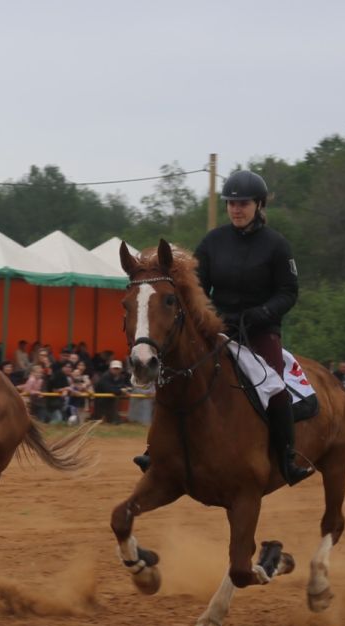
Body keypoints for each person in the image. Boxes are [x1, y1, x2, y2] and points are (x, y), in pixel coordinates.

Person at [134, 169, 312, 484]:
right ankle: (155, 448)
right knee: (175, 373)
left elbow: (288, 292)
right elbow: (196, 286)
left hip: (260, 331)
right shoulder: (214, 241)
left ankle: (286, 458)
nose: (236, 209)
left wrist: (263, 312)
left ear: (258, 205)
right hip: (219, 327)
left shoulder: (277, 245)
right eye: (231, 203)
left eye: (243, 203)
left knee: (276, 389)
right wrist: (209, 314)